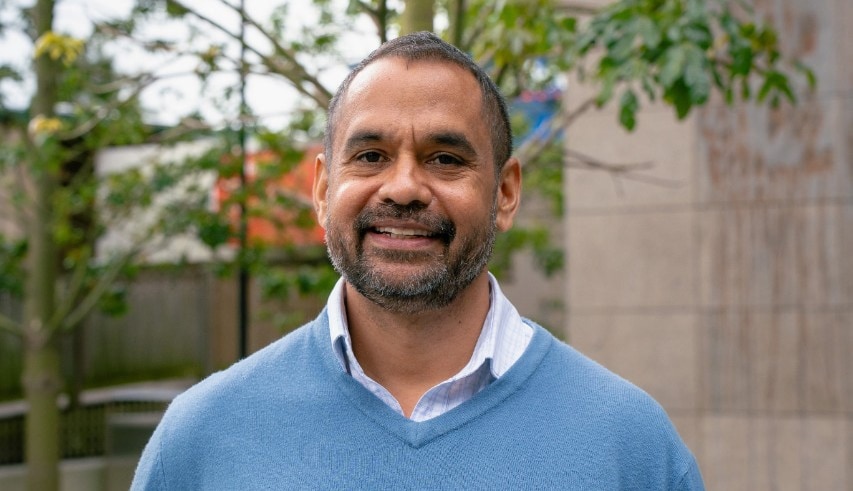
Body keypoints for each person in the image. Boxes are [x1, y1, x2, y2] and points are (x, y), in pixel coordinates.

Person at [132, 32, 704, 490]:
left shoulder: (631, 447)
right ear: (323, 189)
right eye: (371, 155)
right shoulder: (201, 441)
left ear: (505, 193)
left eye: (445, 158)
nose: (403, 187)